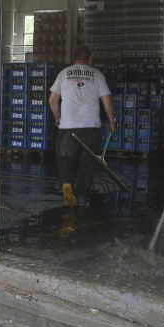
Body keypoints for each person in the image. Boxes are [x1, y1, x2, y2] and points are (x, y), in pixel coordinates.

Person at [48, 45, 117, 209]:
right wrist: (112, 122)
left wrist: (58, 117)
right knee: (87, 164)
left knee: (66, 159)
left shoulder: (64, 74)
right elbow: (107, 104)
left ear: (74, 58)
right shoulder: (97, 75)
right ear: (90, 58)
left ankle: (67, 184)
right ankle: (83, 197)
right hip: (90, 127)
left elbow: (52, 100)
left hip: (67, 127)